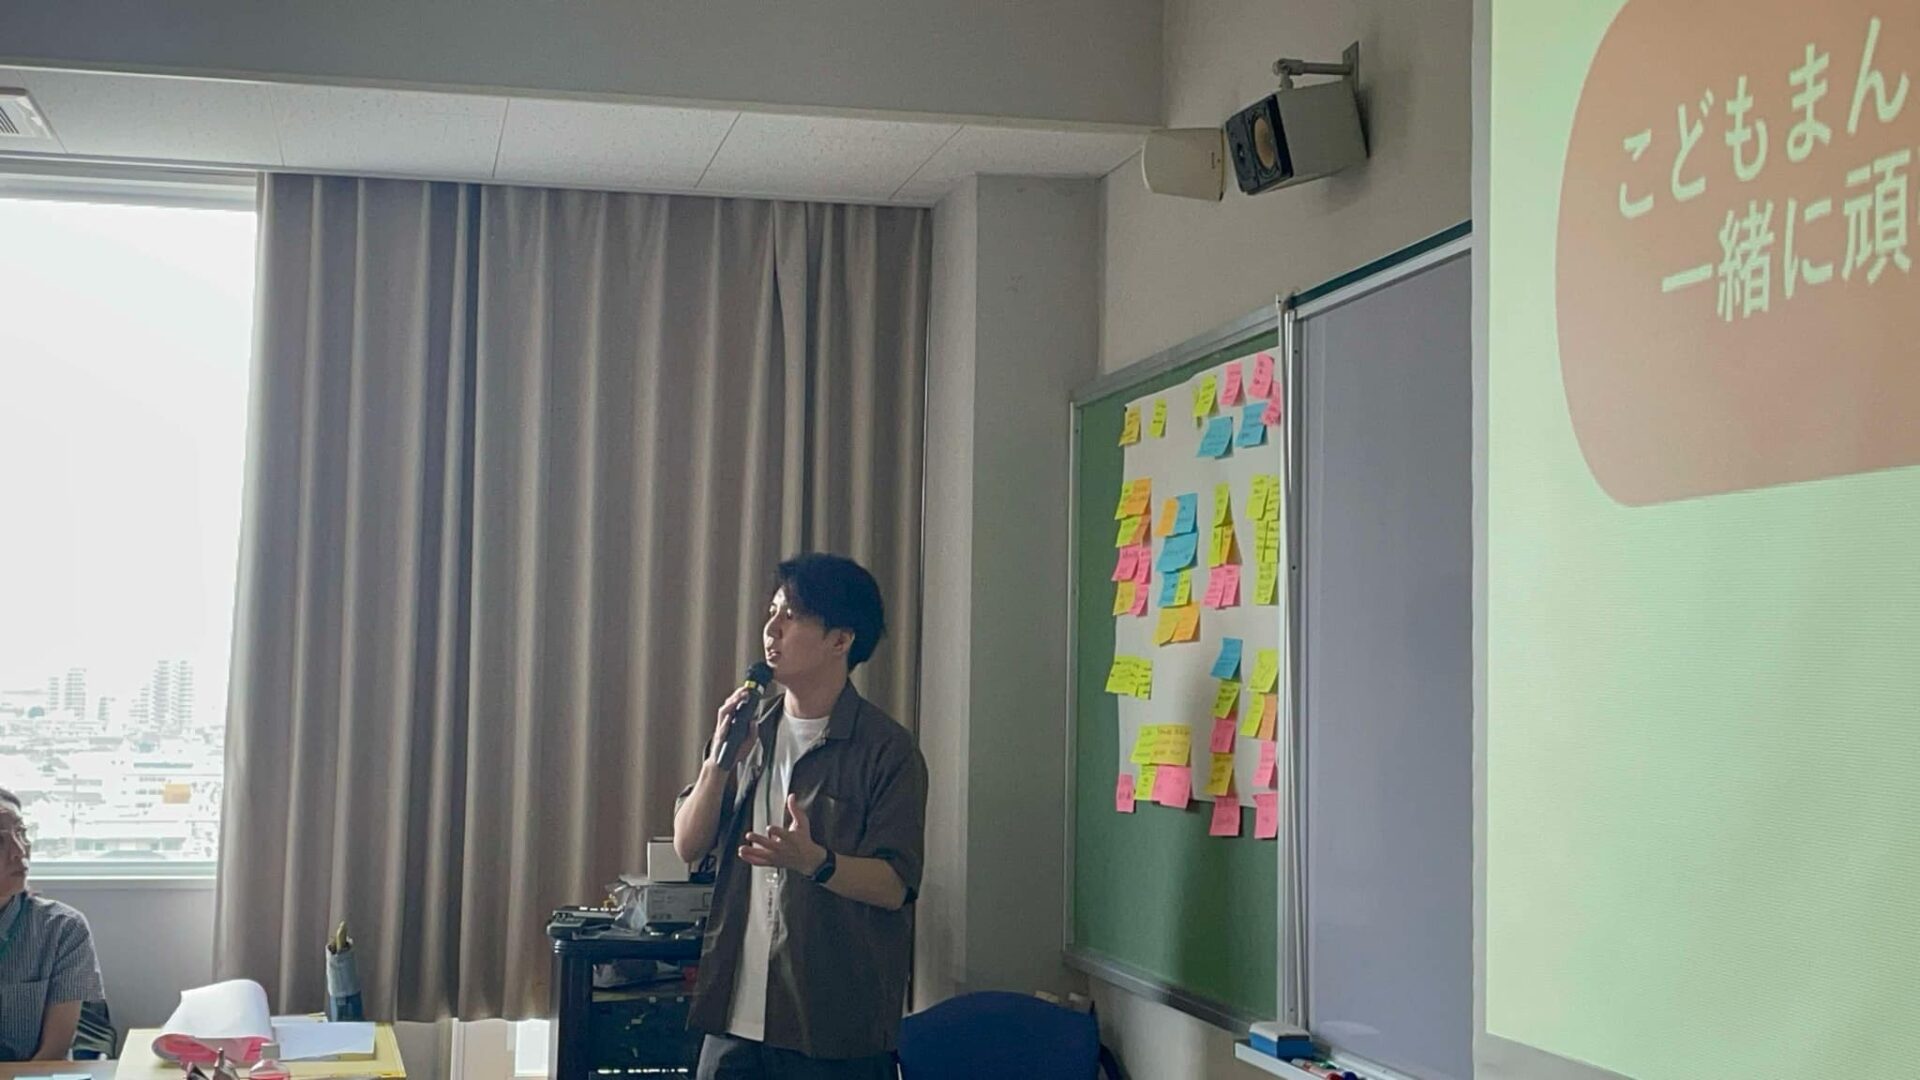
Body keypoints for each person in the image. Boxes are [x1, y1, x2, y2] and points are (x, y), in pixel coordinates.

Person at [673, 553, 928, 1080]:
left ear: (841, 640)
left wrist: (816, 862)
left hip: (835, 1030)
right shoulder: (751, 731)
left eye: (791, 616)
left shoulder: (887, 750)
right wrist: (718, 762)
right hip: (733, 1018)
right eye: (772, 612)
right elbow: (688, 845)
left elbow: (895, 885)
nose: (772, 629)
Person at [0, 787, 105, 1062]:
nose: (19, 851)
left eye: (21, 832)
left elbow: (53, 1052)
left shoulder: (62, 929)